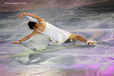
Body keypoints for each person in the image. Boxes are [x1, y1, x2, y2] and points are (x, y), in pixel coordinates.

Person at [12, 12, 96, 45]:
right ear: (34, 24)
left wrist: (19, 41)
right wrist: (24, 13)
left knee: (50, 38)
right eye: (35, 22)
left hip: (56, 41)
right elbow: (35, 16)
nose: (36, 22)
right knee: (77, 36)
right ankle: (88, 42)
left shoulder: (36, 31)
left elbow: (28, 36)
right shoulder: (42, 22)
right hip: (61, 34)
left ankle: (68, 40)